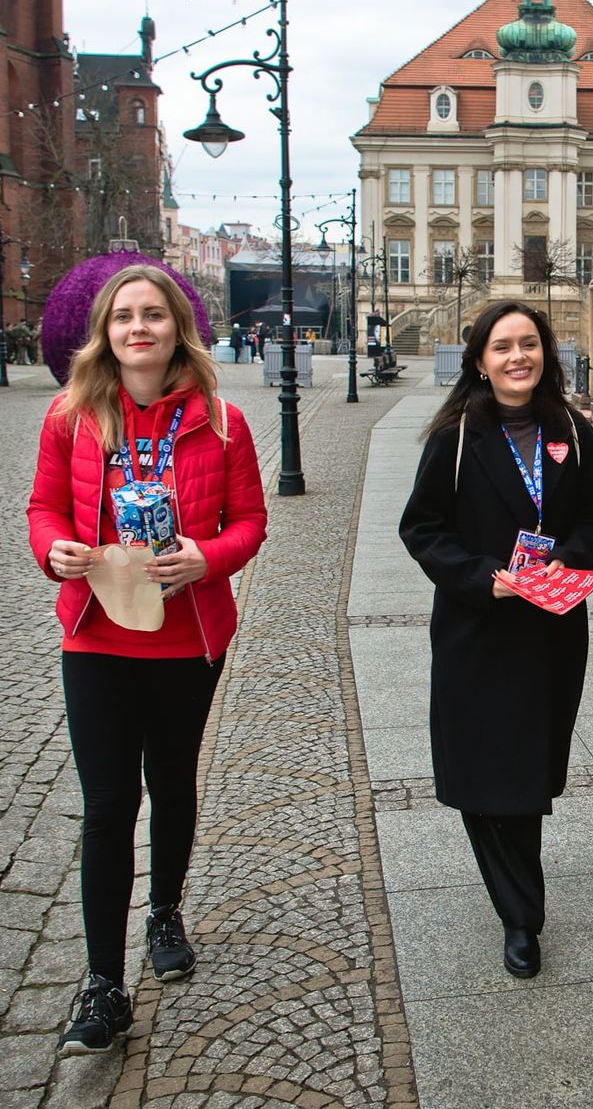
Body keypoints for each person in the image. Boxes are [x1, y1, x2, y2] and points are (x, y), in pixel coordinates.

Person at [27, 263, 267, 1054]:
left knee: (170, 780)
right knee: (106, 806)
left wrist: (207, 558)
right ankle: (103, 982)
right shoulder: (69, 418)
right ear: (106, 331)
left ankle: (165, 909)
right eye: (125, 316)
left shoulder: (221, 423)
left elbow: (248, 523)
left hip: (186, 634)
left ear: (177, 330)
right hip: (96, 631)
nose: (139, 328)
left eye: (153, 316)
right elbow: (44, 509)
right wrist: (52, 549)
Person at [400, 301, 593, 978]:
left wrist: (570, 560)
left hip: (551, 629)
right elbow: (422, 528)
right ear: (479, 361)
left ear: (546, 355)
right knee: (484, 771)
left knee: (531, 768)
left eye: (529, 344)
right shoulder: (456, 435)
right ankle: (520, 918)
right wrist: (479, 576)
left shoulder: (572, 432)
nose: (517, 357)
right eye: (502, 347)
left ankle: (519, 900)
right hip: (478, 630)